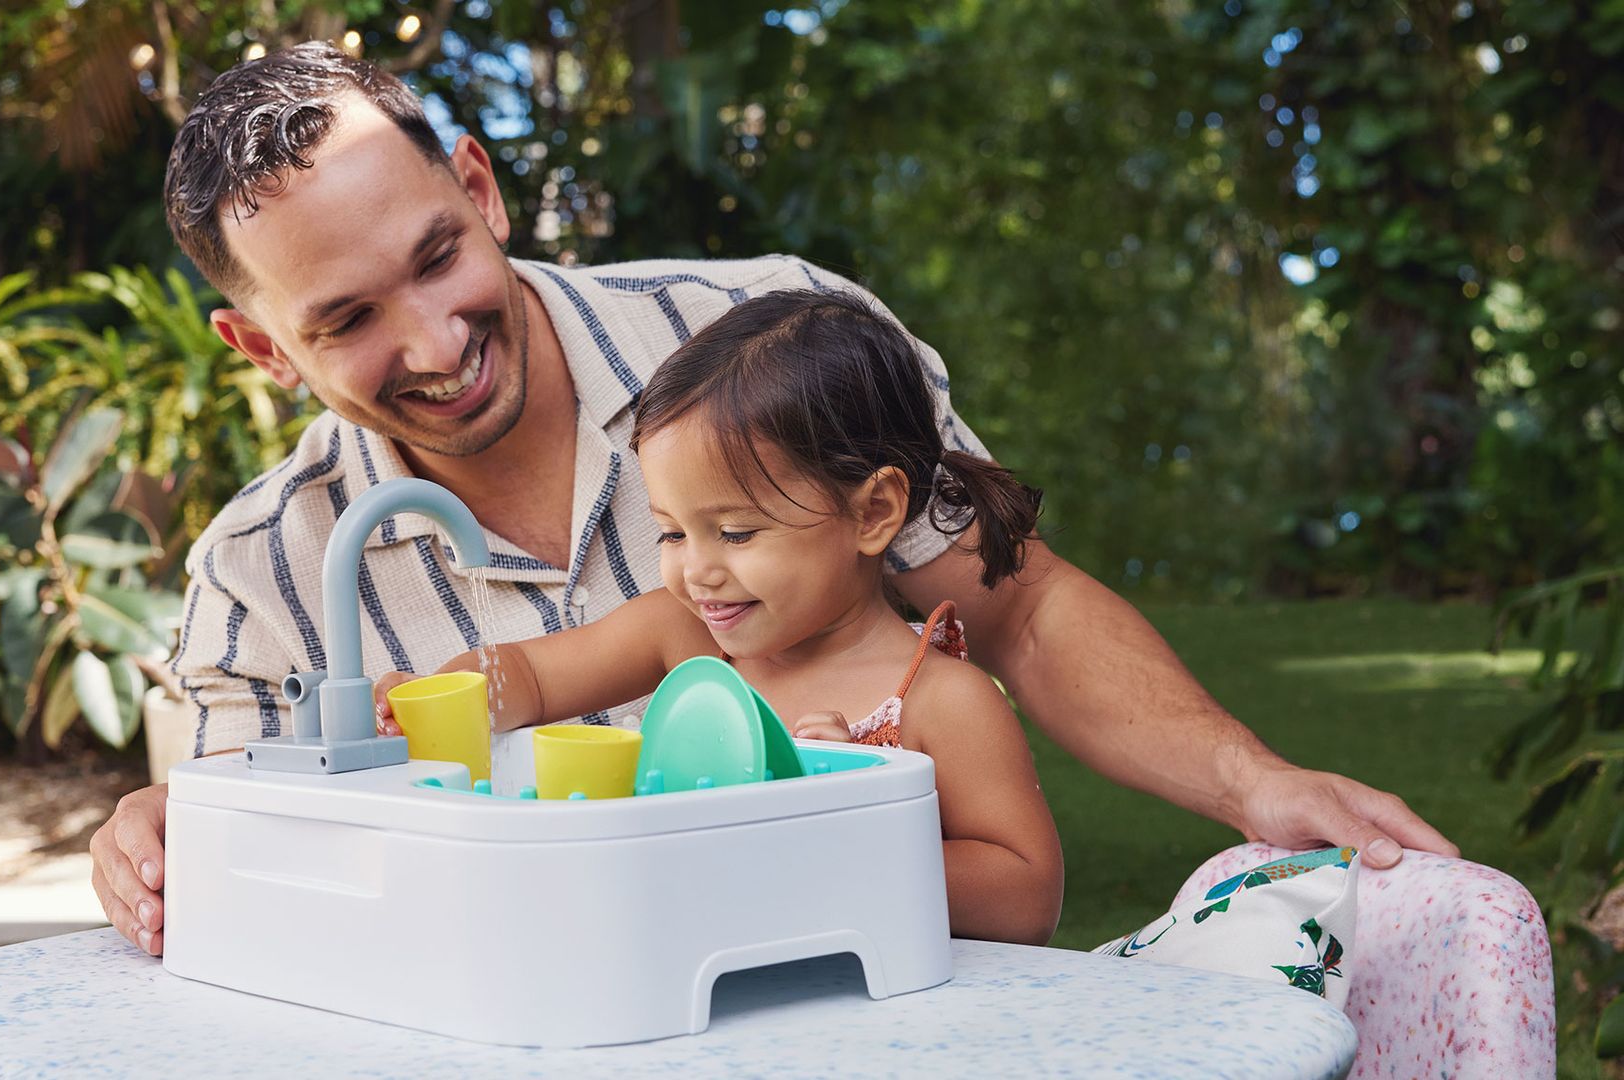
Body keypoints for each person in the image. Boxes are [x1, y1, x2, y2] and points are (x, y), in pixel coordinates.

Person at [90, 42, 1455, 959]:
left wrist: (1251, 781)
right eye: (347, 320)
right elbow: (250, 869)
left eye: (438, 256)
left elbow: (1018, 604)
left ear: (480, 189)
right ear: (263, 351)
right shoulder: (270, 570)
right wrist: (164, 841)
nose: (438, 342)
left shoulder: (764, 338)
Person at [373, 289, 1064, 943]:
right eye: (672, 533)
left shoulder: (940, 701)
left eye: (735, 533)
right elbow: (529, 676)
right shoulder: (684, 638)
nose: (695, 571)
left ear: (872, 512)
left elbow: (1027, 898)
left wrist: (850, 830)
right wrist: (449, 695)